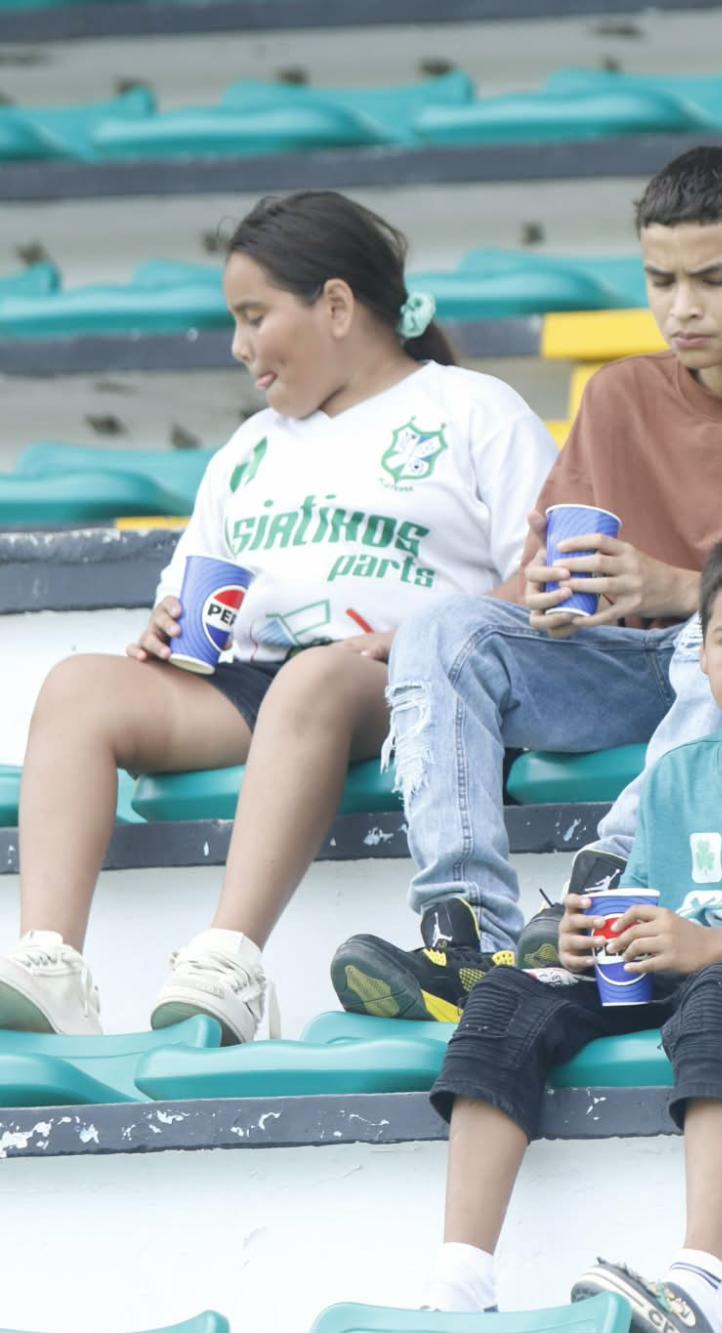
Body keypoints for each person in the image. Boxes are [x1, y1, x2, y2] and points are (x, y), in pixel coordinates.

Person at [330, 146, 722, 1021]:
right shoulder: (619, 394)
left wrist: (680, 588)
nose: (682, 306)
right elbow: (537, 577)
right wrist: (531, 601)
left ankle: (611, 883)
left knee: (709, 642)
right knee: (443, 630)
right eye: (661, 280)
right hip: (631, 664)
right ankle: (466, 934)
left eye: (713, 278)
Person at [0, 191, 556, 1043]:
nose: (239, 346)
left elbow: (548, 578)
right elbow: (195, 603)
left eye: (254, 316)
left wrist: (428, 633)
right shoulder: (249, 449)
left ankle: (229, 959)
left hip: (412, 679)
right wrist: (167, 632)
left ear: (335, 304)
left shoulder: (475, 409)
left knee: (313, 678)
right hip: (256, 681)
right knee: (78, 686)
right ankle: (50, 961)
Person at [417, 519, 722, 1328]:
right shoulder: (678, 772)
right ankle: (461, 1280)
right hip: (702, 974)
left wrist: (710, 943)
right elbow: (650, 909)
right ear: (701, 648)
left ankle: (700, 1282)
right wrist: (593, 946)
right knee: (512, 992)